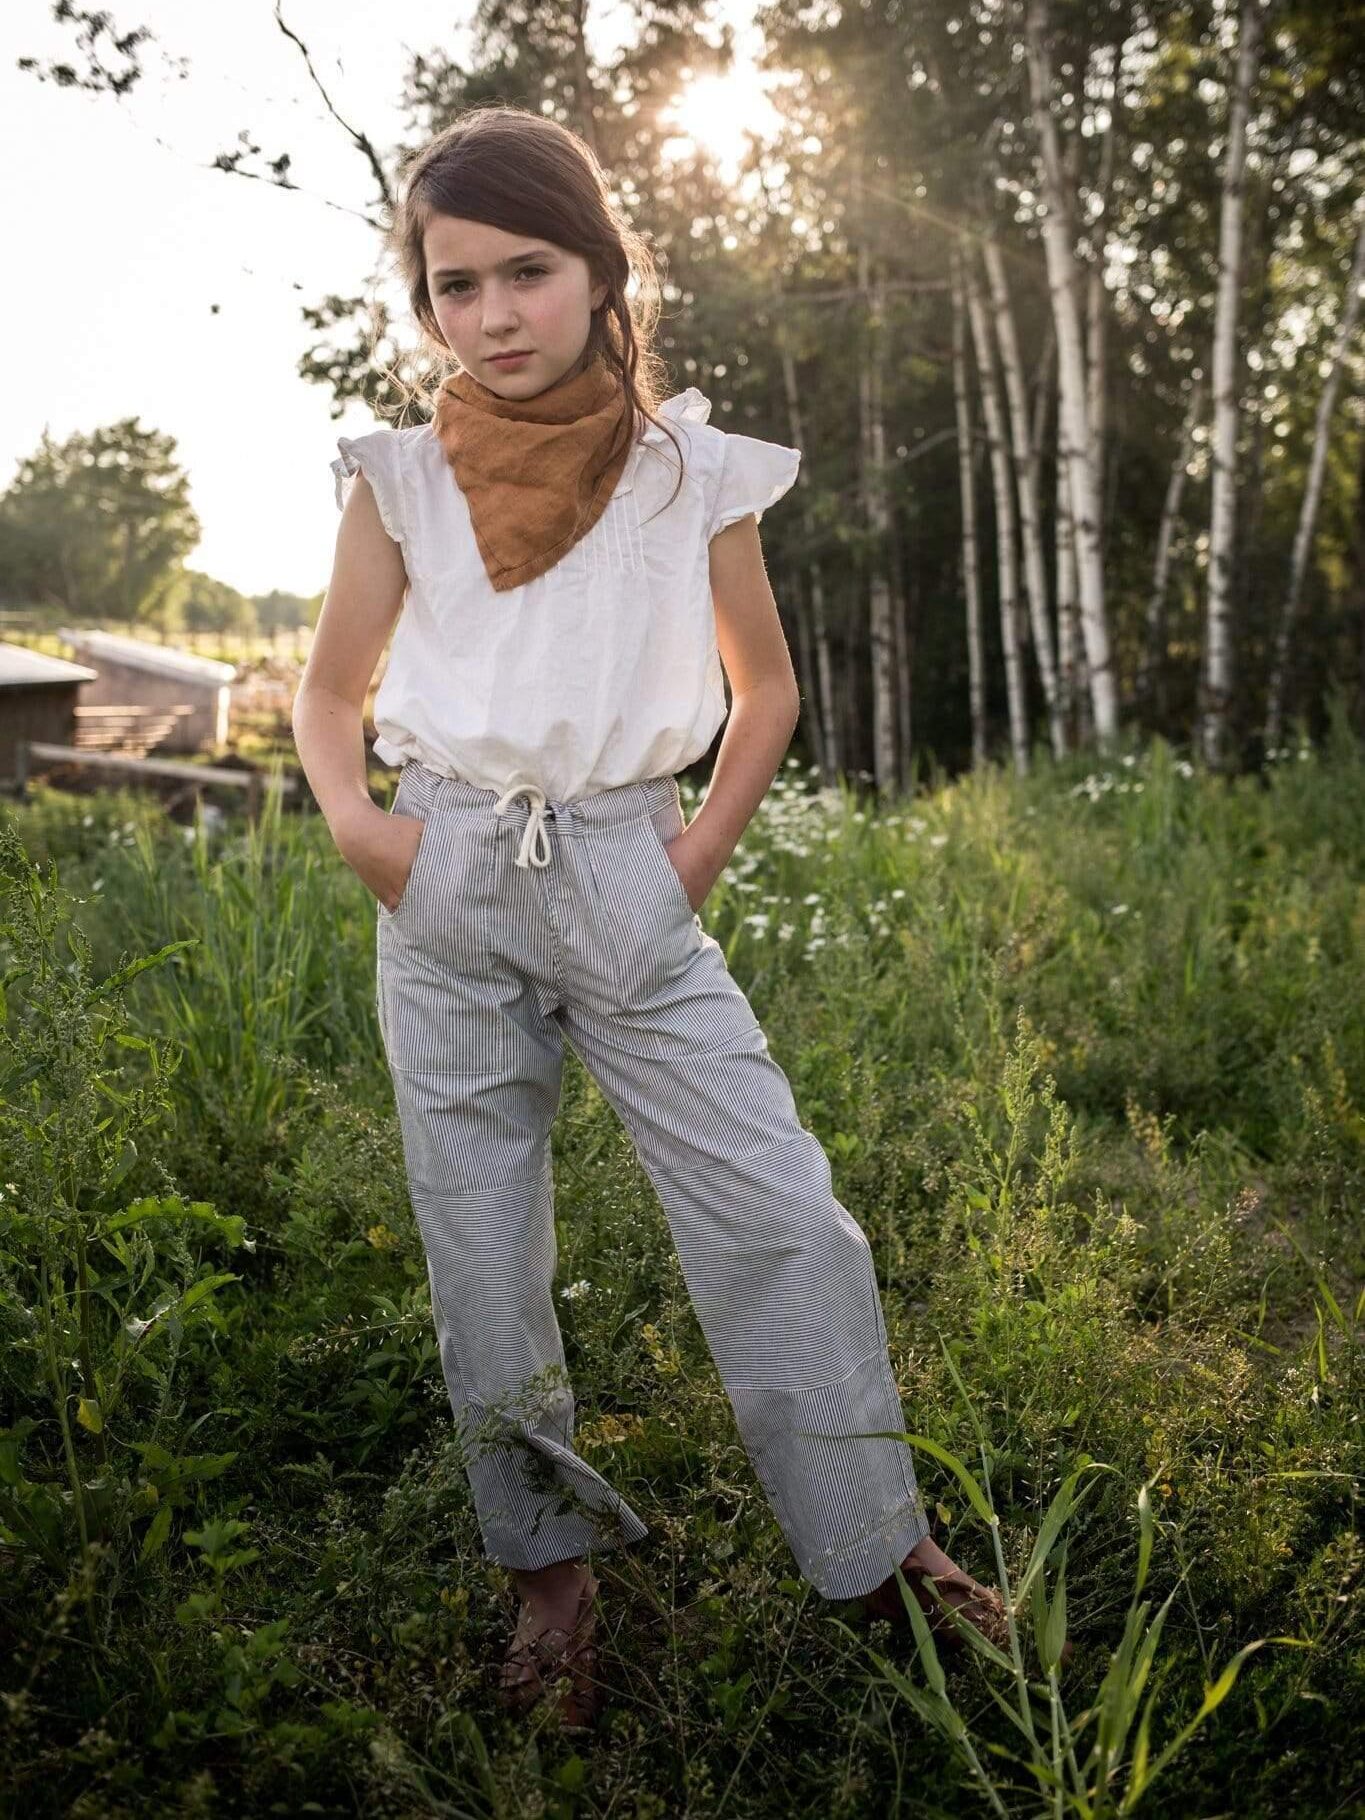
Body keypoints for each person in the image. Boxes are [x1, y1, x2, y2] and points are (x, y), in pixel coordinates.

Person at [292, 104, 1020, 1733]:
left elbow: (764, 690)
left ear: (599, 265)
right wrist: (361, 830)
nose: (491, 315)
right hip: (446, 880)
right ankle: (548, 1573)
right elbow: (331, 688)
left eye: (526, 272)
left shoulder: (692, 469)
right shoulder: (397, 476)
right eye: (452, 284)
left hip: (628, 874)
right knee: (480, 1250)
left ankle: (876, 1544)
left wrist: (686, 859)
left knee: (781, 1212)